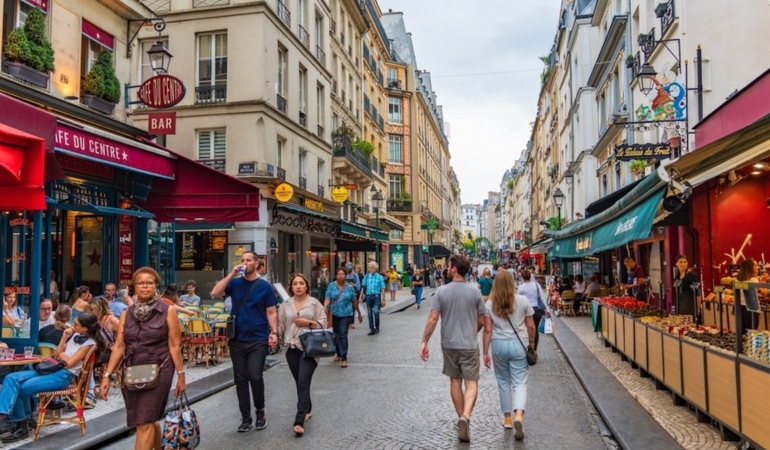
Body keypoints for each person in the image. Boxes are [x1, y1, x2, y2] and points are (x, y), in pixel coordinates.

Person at [100, 267, 186, 450]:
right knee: (145, 419)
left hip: (160, 369)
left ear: (156, 286)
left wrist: (181, 375)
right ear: (134, 286)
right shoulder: (127, 313)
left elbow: (174, 346)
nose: (145, 286)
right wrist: (107, 375)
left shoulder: (168, 310)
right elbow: (119, 345)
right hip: (132, 371)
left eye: (149, 283)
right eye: (140, 283)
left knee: (145, 420)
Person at [0, 312, 104, 442]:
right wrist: (64, 338)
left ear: (85, 328)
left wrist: (63, 356)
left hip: (62, 376)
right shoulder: (75, 335)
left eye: (76, 324)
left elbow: (69, 364)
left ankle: (21, 426)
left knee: (20, 388)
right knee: (10, 378)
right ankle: (5, 413)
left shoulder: (89, 344)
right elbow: (57, 353)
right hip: (52, 368)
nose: (73, 325)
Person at [419, 255, 485, 443]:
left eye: (449, 266)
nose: (447, 269)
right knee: (471, 383)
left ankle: (461, 417)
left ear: (454, 269)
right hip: (469, 345)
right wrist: (472, 331)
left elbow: (433, 318)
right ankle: (466, 416)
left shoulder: (441, 291)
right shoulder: (475, 292)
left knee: (455, 381)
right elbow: (482, 320)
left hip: (449, 344)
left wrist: (424, 341)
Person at [211, 251, 278, 433]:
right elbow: (215, 292)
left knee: (255, 376)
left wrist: (274, 332)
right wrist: (231, 274)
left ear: (256, 264)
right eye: (242, 260)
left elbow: (271, 312)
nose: (244, 262)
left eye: (248, 260)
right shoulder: (234, 284)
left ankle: (260, 410)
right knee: (240, 379)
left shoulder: (265, 287)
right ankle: (246, 417)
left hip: (258, 338)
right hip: (237, 338)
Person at [482, 270, 535, 439]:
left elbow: (487, 330)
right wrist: (531, 343)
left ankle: (507, 419)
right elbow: (531, 326)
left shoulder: (490, 304)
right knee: (520, 382)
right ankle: (519, 414)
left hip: (498, 344)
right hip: (519, 344)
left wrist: (485, 352)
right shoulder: (523, 301)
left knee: (503, 381)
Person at [277, 273, 327, 436]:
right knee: (300, 382)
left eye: (301, 283)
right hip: (291, 347)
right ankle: (308, 407)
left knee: (303, 381)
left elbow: (324, 322)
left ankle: (299, 420)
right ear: (291, 287)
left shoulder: (314, 303)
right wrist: (274, 336)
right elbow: (280, 325)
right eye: (295, 284)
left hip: (310, 348)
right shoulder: (285, 304)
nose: (298, 286)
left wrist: (309, 323)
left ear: (306, 286)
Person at [325, 268, 362, 368]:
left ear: (345, 276)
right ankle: (338, 353)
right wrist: (325, 307)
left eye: (342, 274)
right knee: (336, 334)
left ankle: (344, 358)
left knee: (343, 334)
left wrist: (359, 313)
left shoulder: (350, 287)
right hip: (334, 314)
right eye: (339, 274)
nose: (340, 276)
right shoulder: (331, 286)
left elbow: (354, 301)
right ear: (336, 275)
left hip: (346, 314)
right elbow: (327, 298)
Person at [517, 270, 548, 351]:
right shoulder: (536, 285)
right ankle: (534, 349)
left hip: (525, 310)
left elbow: (518, 300)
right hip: (536, 309)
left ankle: (527, 347)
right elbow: (542, 297)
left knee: (526, 329)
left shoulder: (521, 287)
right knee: (535, 329)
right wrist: (547, 309)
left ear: (522, 277)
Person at [359, 262, 386, 336]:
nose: (370, 269)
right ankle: (371, 328)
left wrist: (383, 299)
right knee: (369, 313)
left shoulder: (379, 277)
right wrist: (360, 296)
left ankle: (377, 327)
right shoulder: (367, 276)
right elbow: (363, 287)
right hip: (368, 296)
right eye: (369, 267)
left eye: (371, 267)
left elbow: (382, 288)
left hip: (377, 296)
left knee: (376, 312)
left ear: (376, 268)